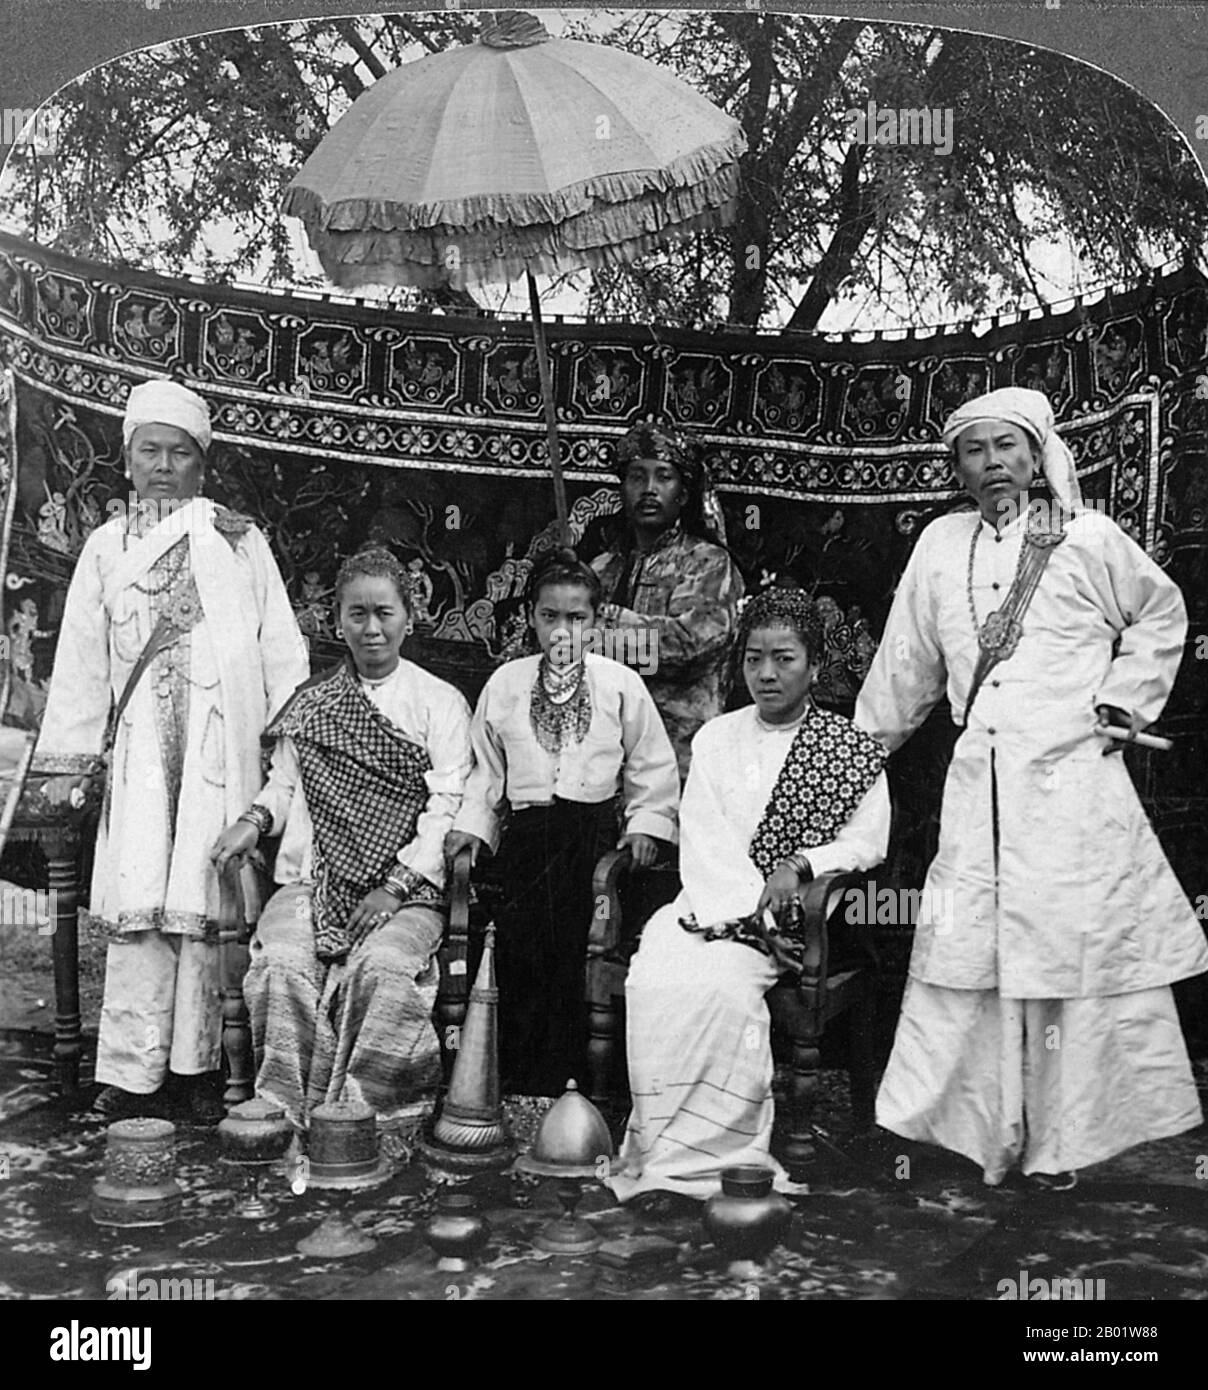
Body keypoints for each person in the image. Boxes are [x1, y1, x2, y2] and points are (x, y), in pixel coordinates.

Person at [855, 386, 1208, 1190]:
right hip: (978, 791)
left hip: (1072, 787)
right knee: (972, 957)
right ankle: (980, 1138)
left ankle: (1064, 1148)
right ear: (959, 468)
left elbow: (1161, 614)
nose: (992, 466)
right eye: (974, 452)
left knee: (1066, 965)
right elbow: (902, 669)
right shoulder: (942, 545)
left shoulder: (1085, 536)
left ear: (1036, 454)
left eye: (1005, 448)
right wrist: (844, 765)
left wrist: (1125, 699)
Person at [35, 378, 310, 1121]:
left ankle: (200, 1068)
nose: (163, 465)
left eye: (179, 453)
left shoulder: (237, 540)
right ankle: (129, 1073)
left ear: (200, 463)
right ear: (127, 461)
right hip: (141, 758)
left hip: (221, 750)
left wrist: (283, 761)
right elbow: (83, 663)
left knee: (207, 911)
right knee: (142, 917)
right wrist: (66, 765)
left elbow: (282, 653)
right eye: (149, 451)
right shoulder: (104, 547)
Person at [609, 588, 890, 1207]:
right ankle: (665, 1155)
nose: (767, 674)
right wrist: (743, 912)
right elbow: (704, 837)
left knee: (724, 989)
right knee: (658, 975)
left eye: (785, 658)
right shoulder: (715, 738)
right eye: (755, 658)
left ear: (815, 665)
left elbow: (868, 842)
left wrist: (802, 864)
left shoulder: (849, 749)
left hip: (798, 923)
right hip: (710, 906)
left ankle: (727, 1159)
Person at [211, 546, 472, 1132]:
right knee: (281, 961)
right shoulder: (312, 702)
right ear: (337, 621)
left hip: (407, 892)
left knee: (383, 967)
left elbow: (446, 806)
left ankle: (364, 1117)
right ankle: (283, 1110)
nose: (372, 628)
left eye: (385, 612)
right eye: (357, 614)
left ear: (410, 617)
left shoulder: (440, 703)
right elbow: (284, 785)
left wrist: (394, 889)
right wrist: (252, 820)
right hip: (313, 880)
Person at [445, 550, 679, 1097]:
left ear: (597, 622)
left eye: (577, 618)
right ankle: (518, 1082)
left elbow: (651, 764)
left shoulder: (620, 684)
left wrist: (646, 825)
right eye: (551, 616)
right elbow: (487, 771)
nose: (563, 629)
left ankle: (575, 1086)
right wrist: (473, 826)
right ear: (531, 616)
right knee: (520, 952)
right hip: (526, 842)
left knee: (578, 952)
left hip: (592, 840)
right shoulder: (506, 684)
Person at [589, 421, 744, 780]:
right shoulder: (600, 568)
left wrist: (601, 629)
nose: (648, 489)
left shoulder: (708, 563)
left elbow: (687, 645)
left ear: (684, 493)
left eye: (663, 477)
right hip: (604, 753)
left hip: (679, 758)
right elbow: (561, 645)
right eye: (636, 477)